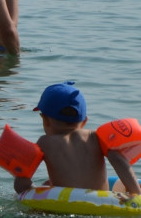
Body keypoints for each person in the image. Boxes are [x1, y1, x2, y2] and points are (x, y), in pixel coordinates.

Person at [13, 82, 141, 196]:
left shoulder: (44, 142)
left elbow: (22, 185)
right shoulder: (97, 137)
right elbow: (117, 159)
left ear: (45, 120)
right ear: (84, 121)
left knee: (43, 189)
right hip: (101, 202)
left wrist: (35, 192)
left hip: (66, 206)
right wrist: (135, 193)